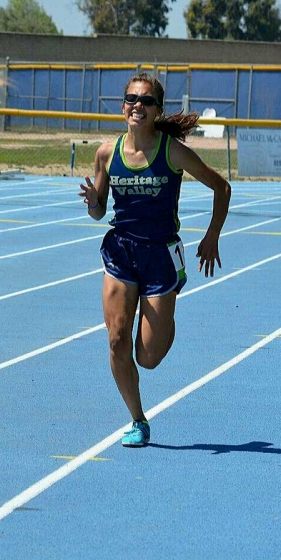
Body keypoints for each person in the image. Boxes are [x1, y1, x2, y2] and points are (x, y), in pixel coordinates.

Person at [79, 72, 231, 447]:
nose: (137, 106)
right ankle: (137, 420)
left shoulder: (172, 152)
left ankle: (164, 324)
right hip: (121, 250)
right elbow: (98, 212)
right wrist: (93, 202)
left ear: (157, 110)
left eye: (146, 101)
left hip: (160, 253)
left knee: (147, 357)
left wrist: (212, 236)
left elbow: (222, 187)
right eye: (131, 99)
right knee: (117, 341)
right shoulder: (106, 153)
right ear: (123, 106)